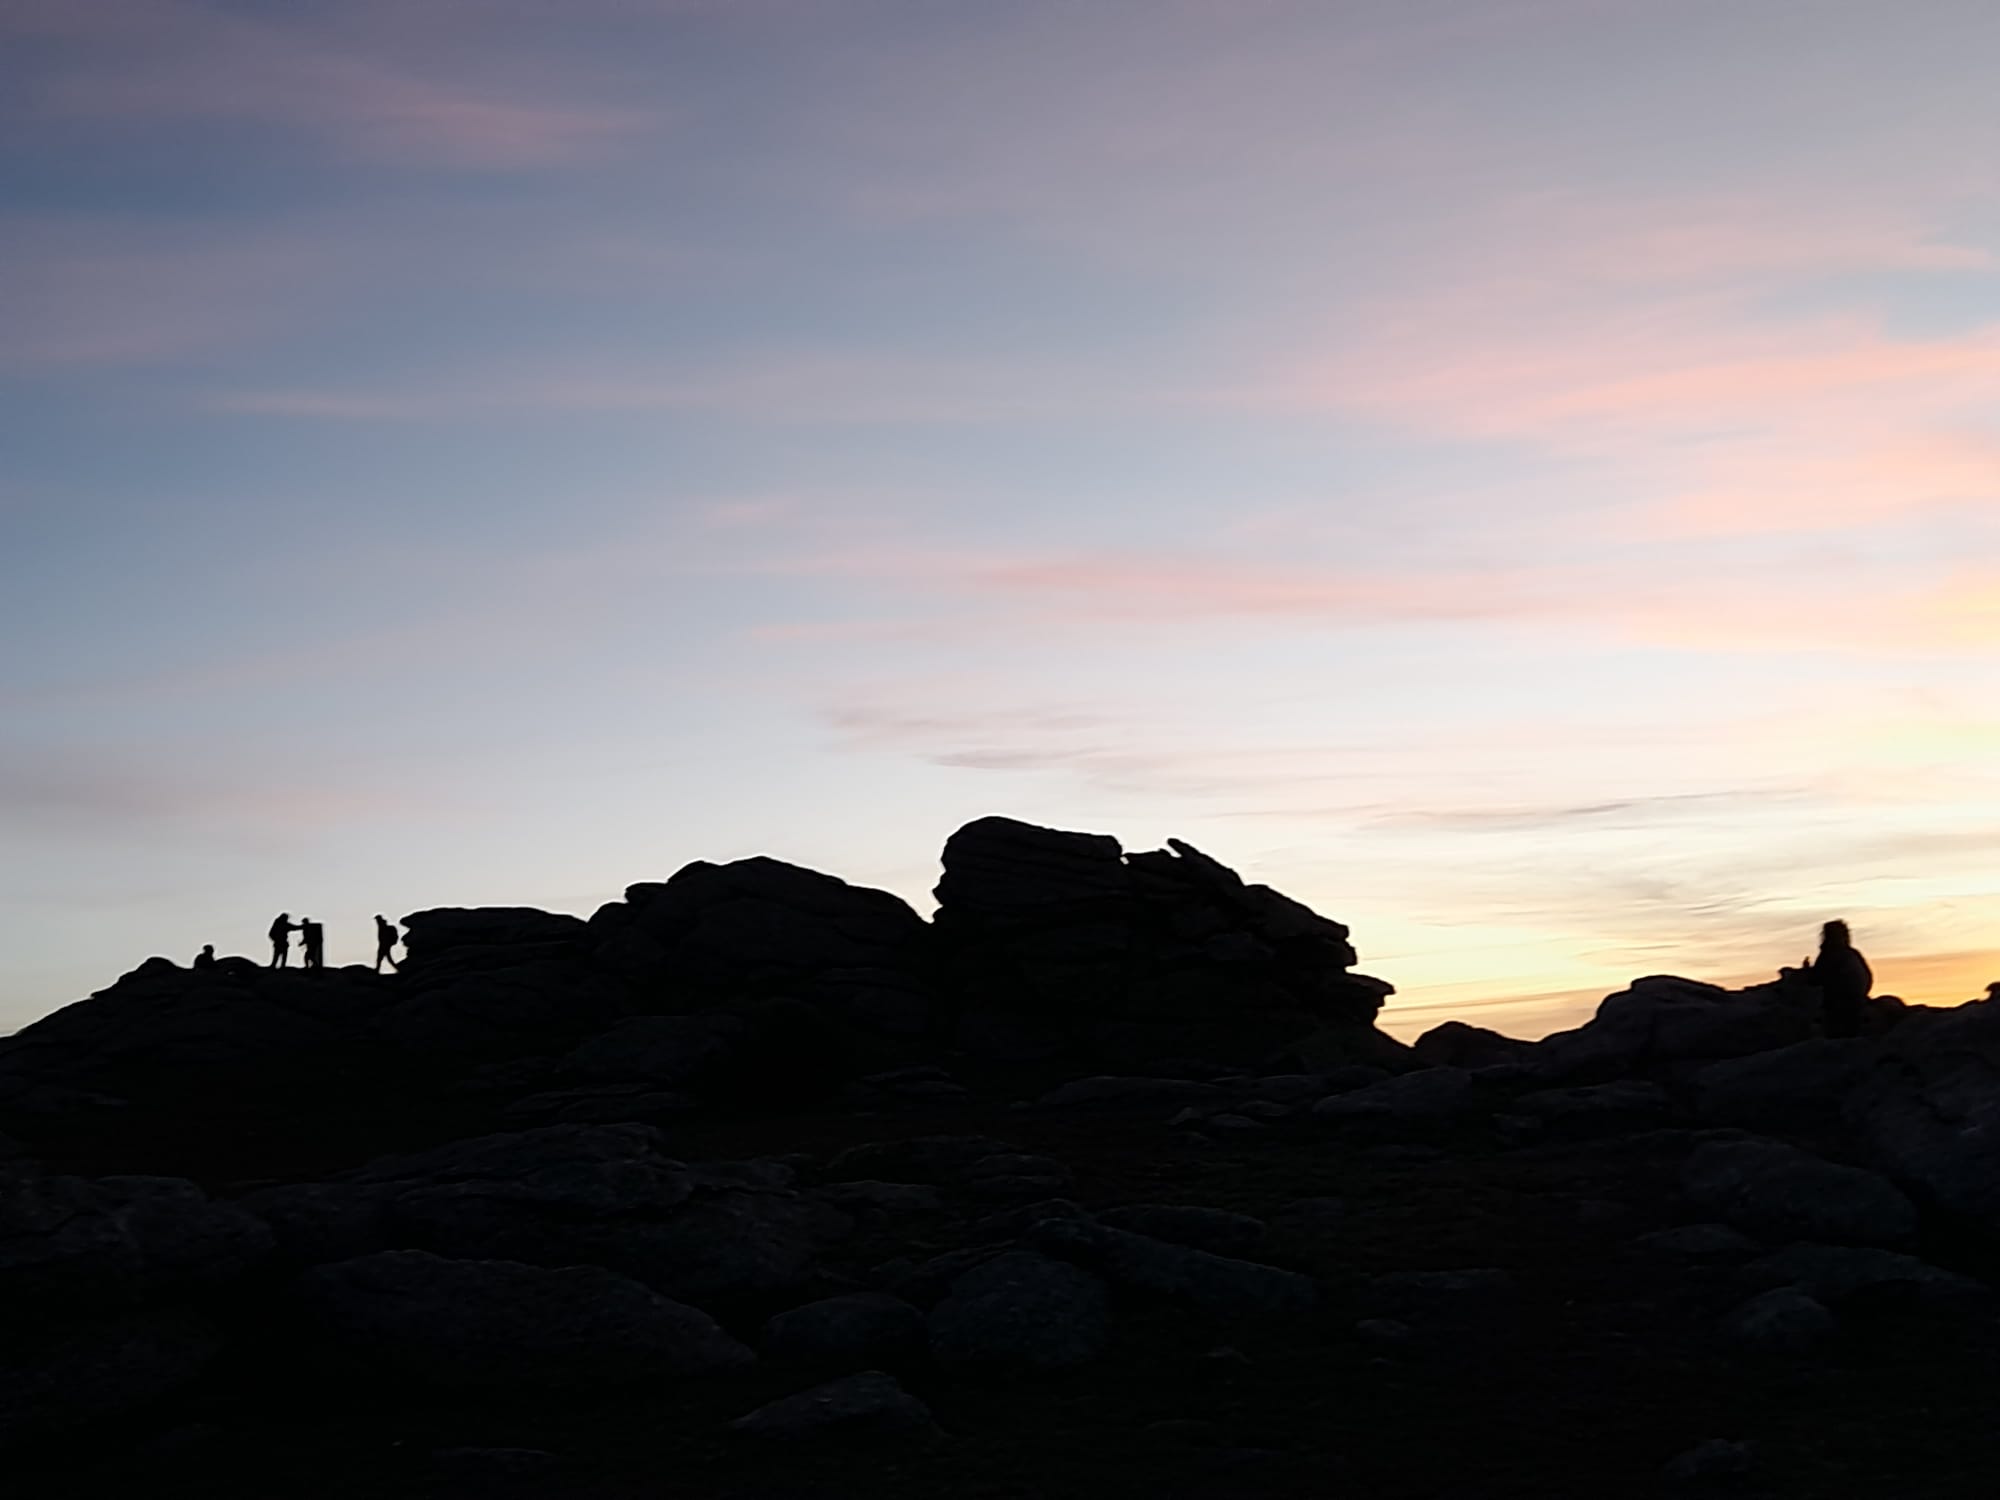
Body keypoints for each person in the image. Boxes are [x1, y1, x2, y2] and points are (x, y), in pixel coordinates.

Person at [1809, 919, 1873, 1038]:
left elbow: (1818, 978)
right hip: (1855, 1001)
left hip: (1839, 1005)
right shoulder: (1852, 954)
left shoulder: (1831, 955)